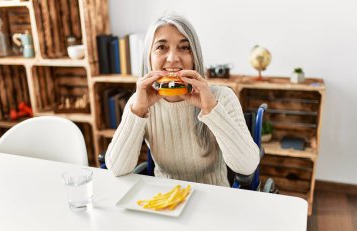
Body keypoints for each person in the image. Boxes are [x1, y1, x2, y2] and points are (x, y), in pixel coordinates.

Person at [105, 14, 259, 187]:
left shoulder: (222, 97)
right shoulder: (139, 101)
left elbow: (247, 167)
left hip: (214, 199)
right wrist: (138, 111)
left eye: (184, 48)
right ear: (149, 58)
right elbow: (117, 168)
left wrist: (210, 108)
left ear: (195, 57)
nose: (172, 58)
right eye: (161, 47)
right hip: (165, 199)